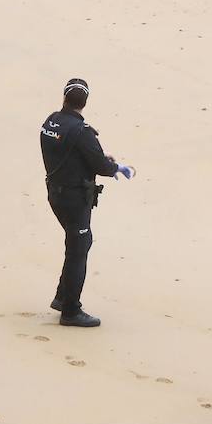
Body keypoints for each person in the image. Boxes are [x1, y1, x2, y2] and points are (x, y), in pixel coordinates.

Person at [39, 77, 135, 327]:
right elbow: (101, 166)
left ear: (64, 98)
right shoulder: (82, 131)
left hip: (55, 194)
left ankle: (63, 297)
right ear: (85, 102)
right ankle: (70, 310)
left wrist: (99, 158)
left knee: (78, 243)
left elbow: (70, 153)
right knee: (78, 249)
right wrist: (115, 166)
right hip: (74, 199)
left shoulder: (51, 122)